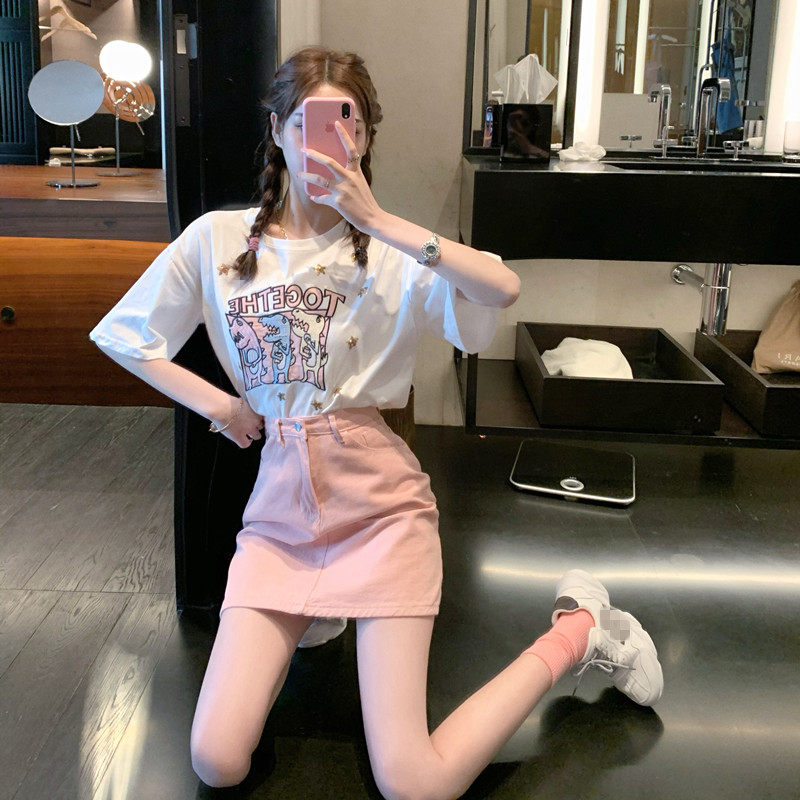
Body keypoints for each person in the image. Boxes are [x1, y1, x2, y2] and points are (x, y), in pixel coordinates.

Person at [88, 45, 663, 797]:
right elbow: (124, 336)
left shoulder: (392, 252)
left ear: (362, 139)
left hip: (381, 514)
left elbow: (502, 288)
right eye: (306, 122)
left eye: (346, 123)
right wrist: (221, 405)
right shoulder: (217, 241)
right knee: (216, 760)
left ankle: (581, 629)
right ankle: (319, 614)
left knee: (413, 783)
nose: (325, 139)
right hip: (280, 515)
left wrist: (379, 220)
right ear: (277, 130)